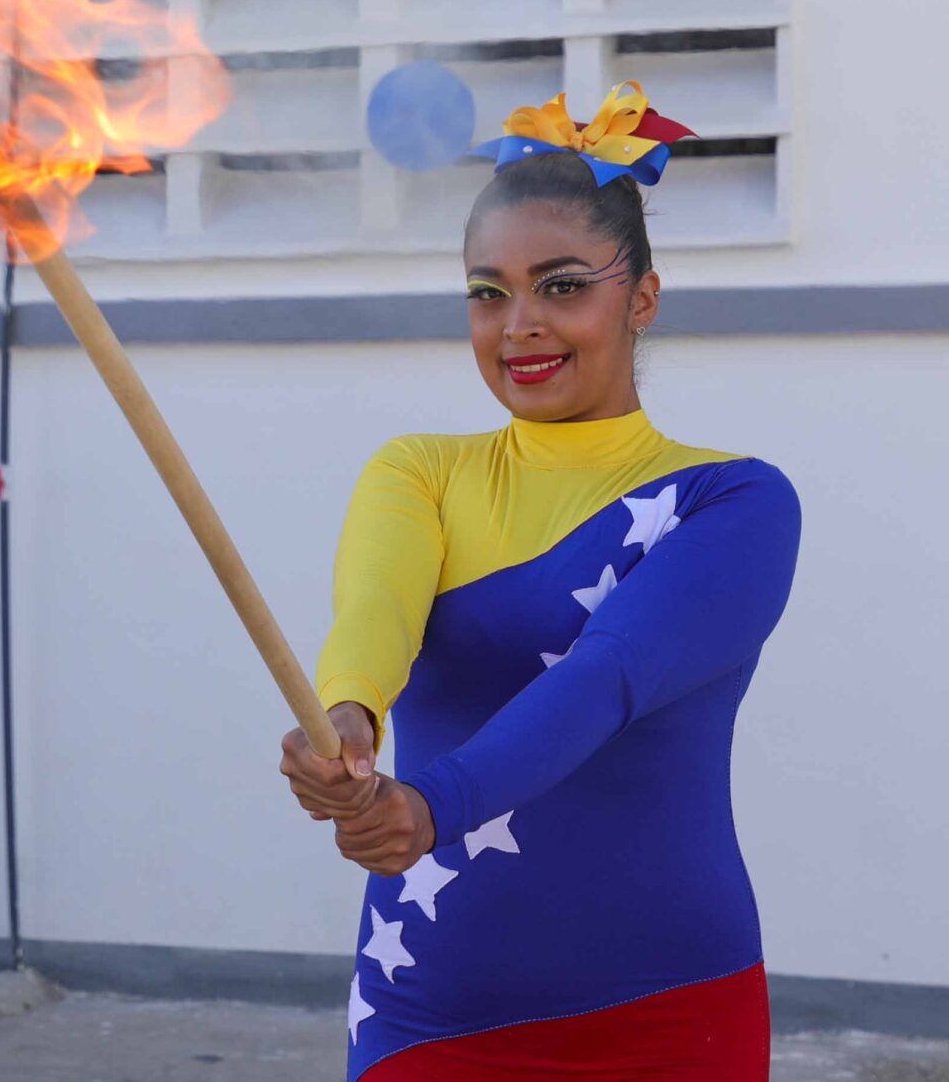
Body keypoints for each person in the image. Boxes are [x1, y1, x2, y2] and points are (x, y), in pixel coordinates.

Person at [279, 84, 801, 1081]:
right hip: (431, 1005)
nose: (517, 325)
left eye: (561, 285)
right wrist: (344, 719)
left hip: (665, 1012)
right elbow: (376, 614)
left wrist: (431, 805)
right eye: (487, 292)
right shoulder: (418, 469)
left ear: (640, 296)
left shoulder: (736, 504)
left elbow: (604, 678)